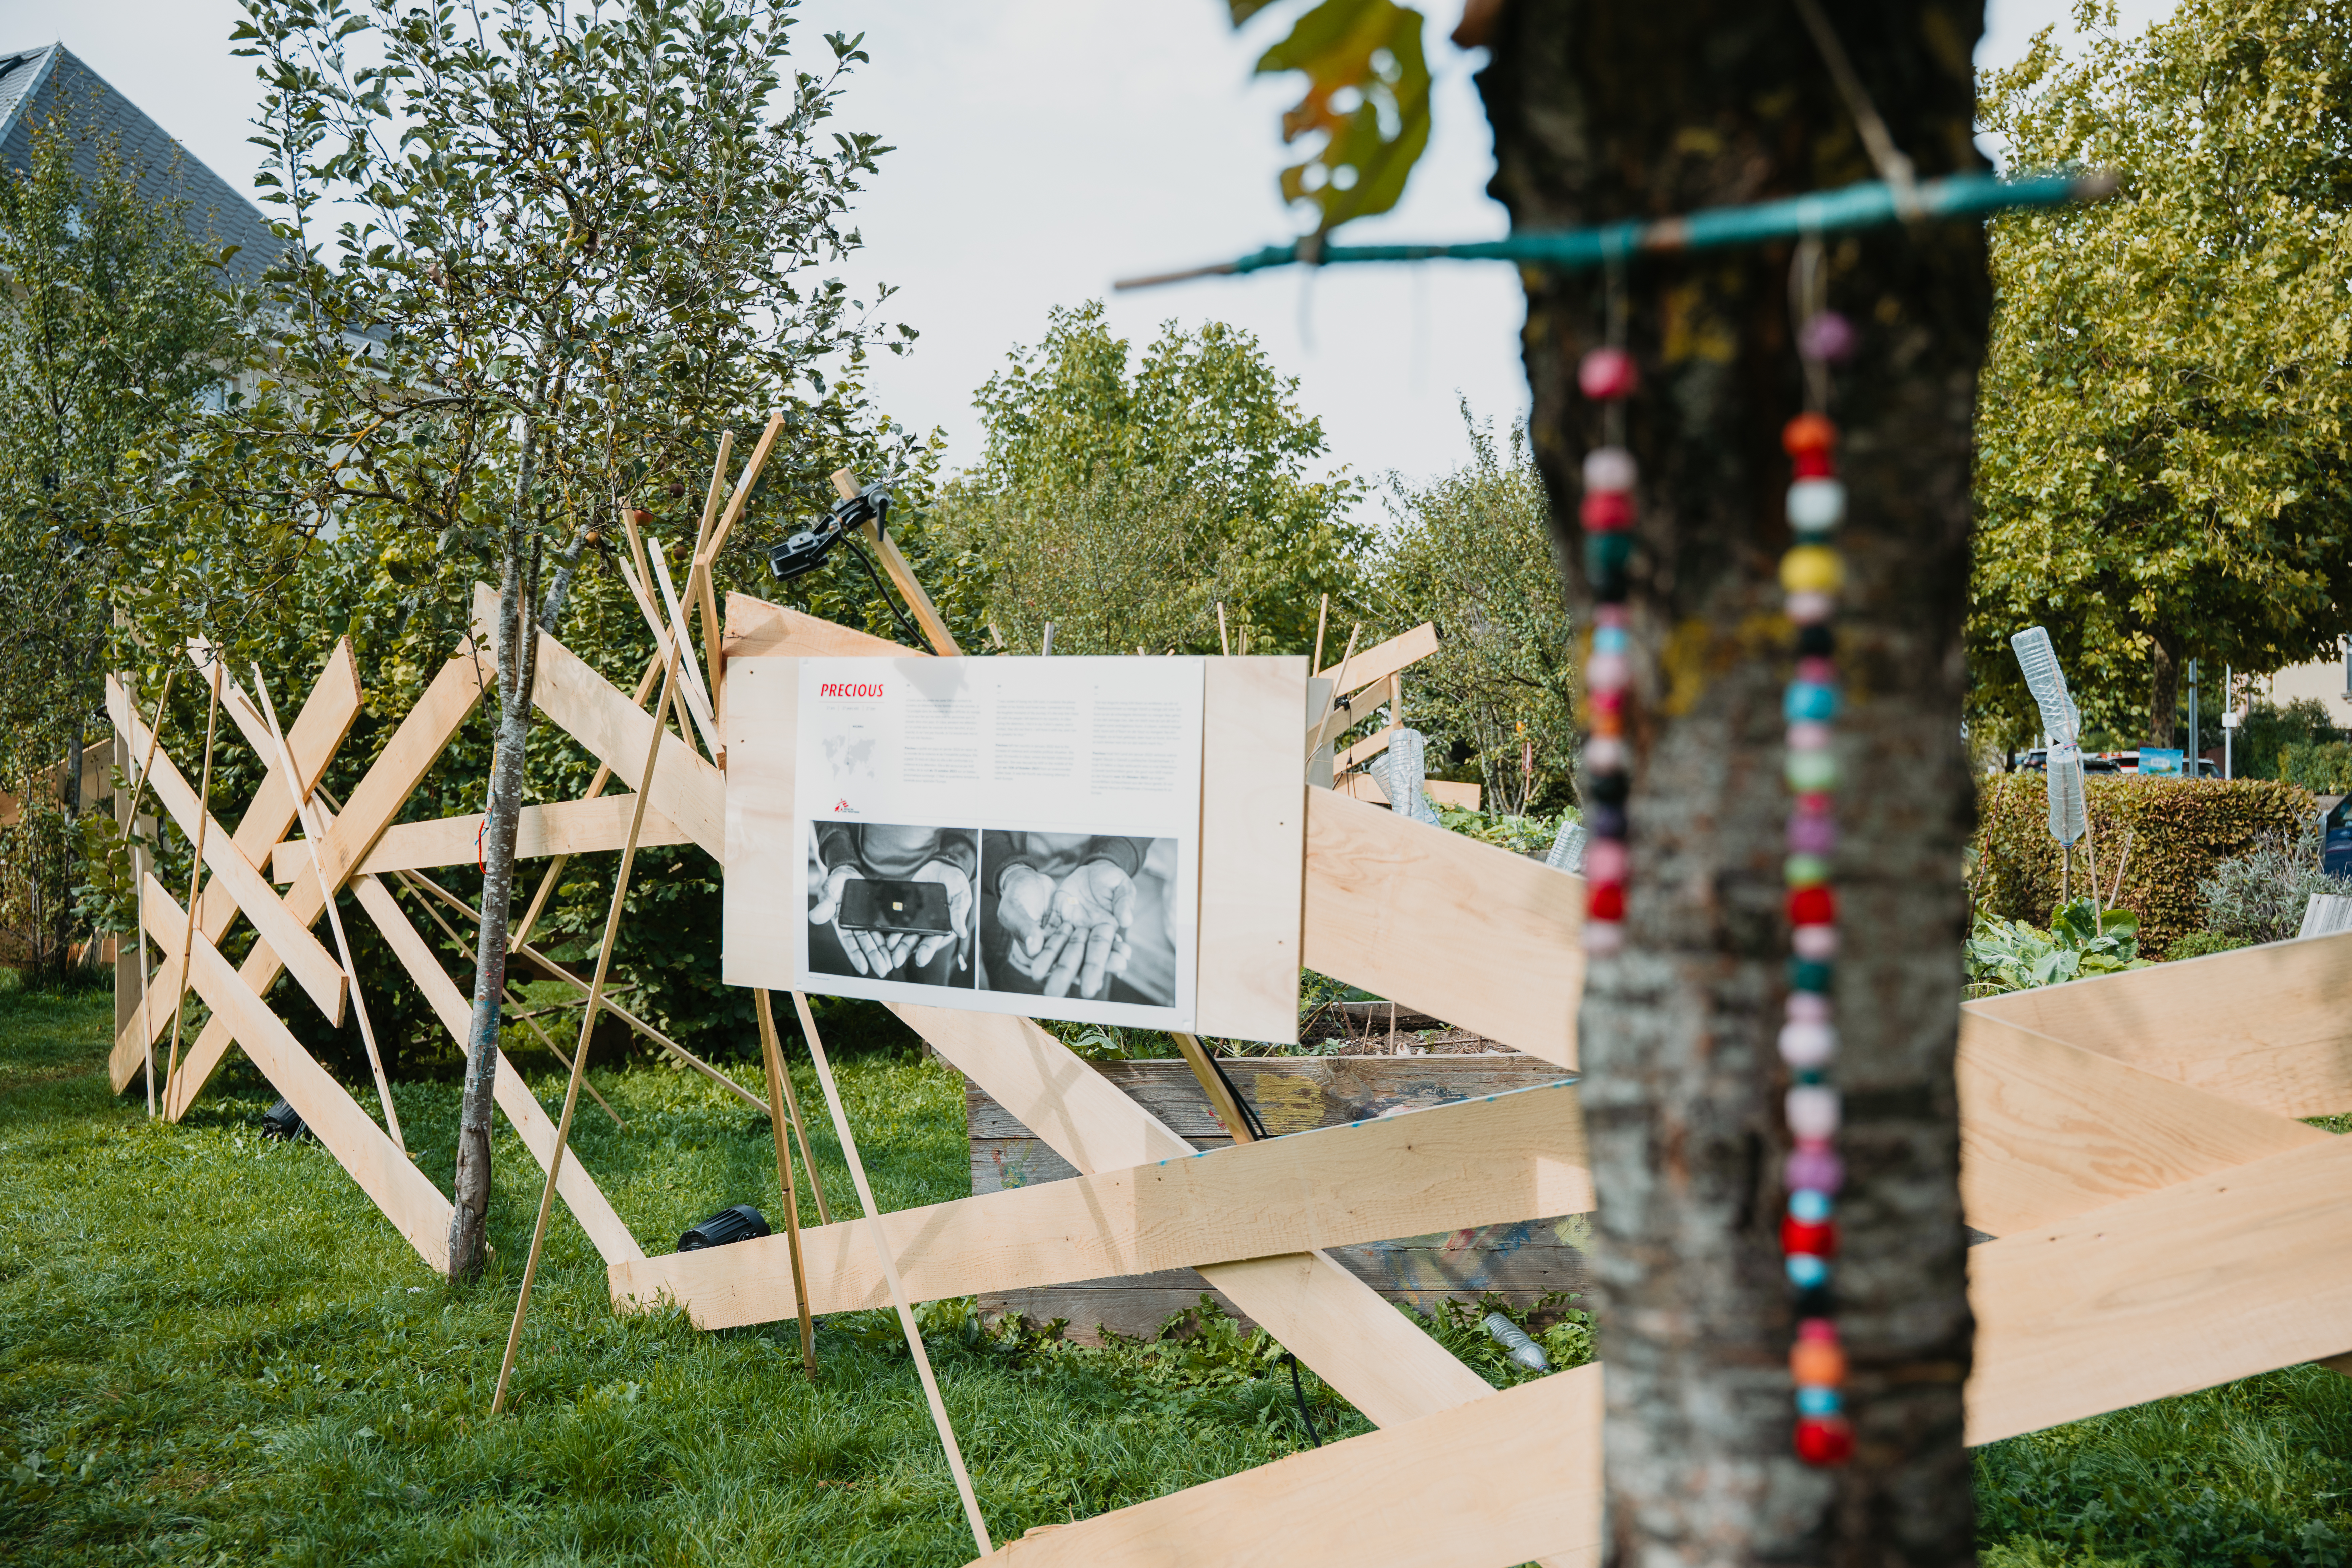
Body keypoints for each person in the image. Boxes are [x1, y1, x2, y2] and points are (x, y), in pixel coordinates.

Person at [979, 832, 1153, 1000]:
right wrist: (1010, 871)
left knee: (1089, 1013)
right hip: (1015, 910)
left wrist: (1112, 857)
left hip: (1100, 909)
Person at [806, 823, 976, 985]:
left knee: (928, 996)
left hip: (937, 891)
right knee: (873, 994)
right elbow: (833, 804)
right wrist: (840, 858)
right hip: (866, 891)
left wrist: (957, 858)